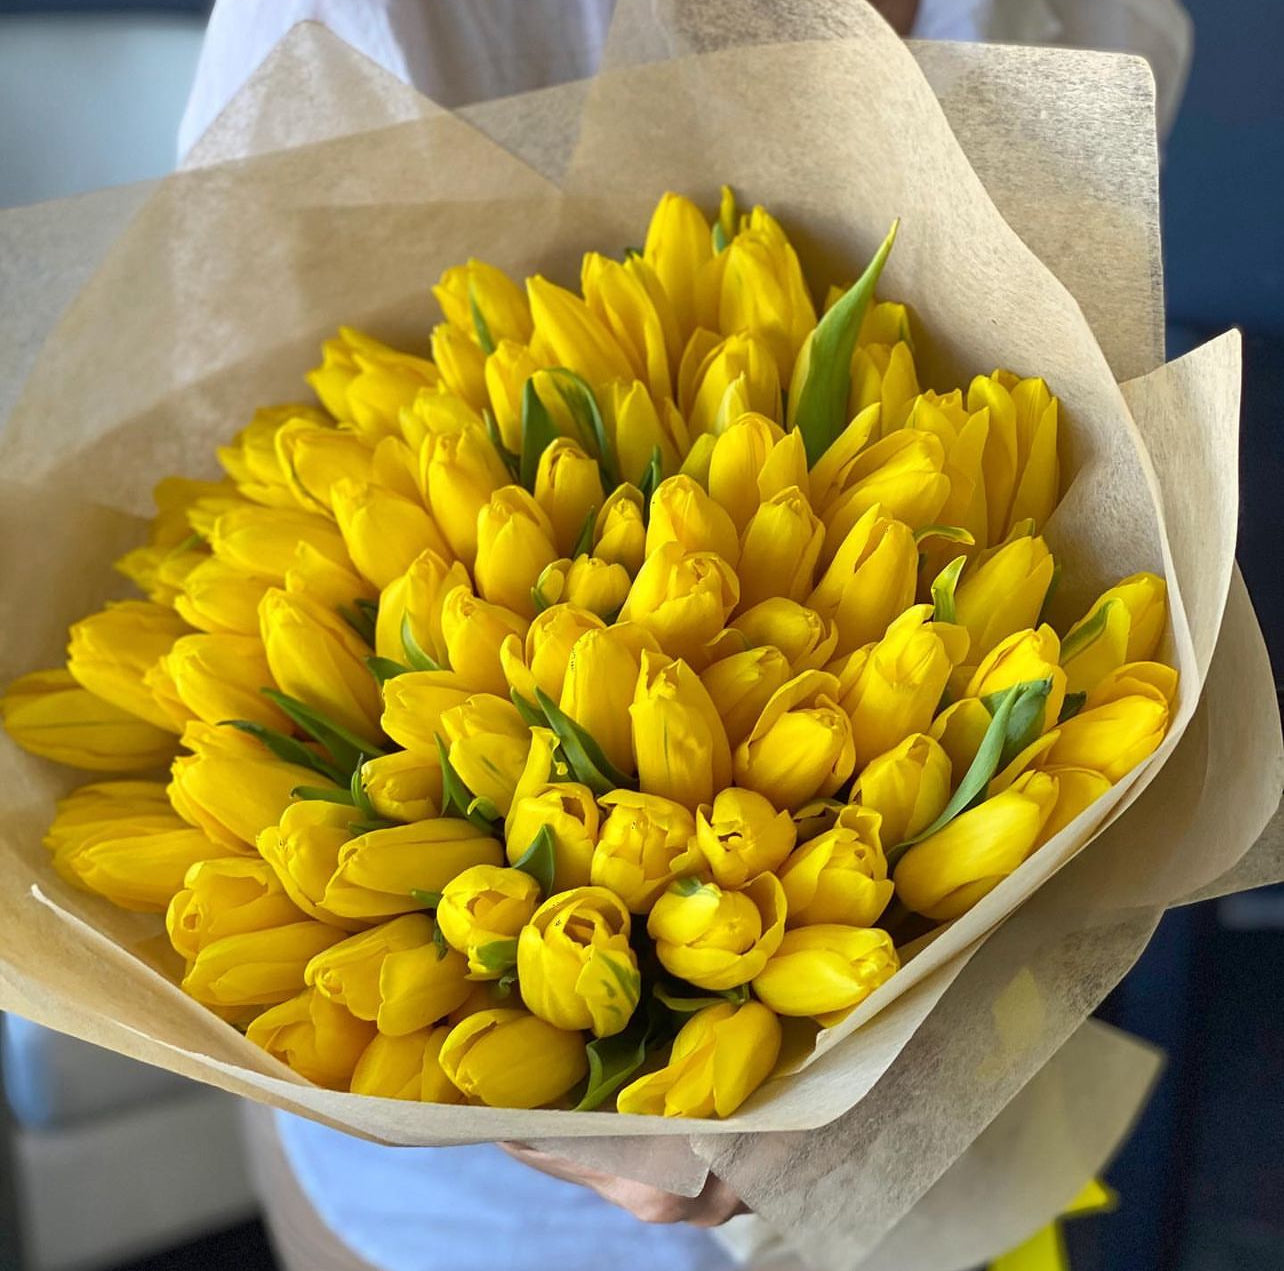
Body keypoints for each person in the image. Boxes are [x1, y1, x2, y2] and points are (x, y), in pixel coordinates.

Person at [179, 3, 1192, 1268]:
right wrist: (546, 1095)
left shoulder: (1101, 16)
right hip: (465, 1179)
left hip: (934, 1093)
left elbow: (1082, 441)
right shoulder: (362, 15)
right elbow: (251, 436)